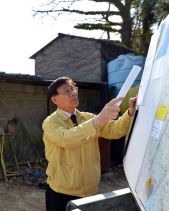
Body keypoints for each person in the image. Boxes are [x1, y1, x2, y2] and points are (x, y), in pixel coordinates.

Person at [42, 77, 136, 211]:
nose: (73, 93)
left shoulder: (87, 118)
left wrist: (130, 112)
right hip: (61, 192)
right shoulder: (51, 122)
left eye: (73, 89)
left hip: (89, 191)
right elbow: (66, 139)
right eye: (66, 91)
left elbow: (114, 130)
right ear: (55, 99)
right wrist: (97, 121)